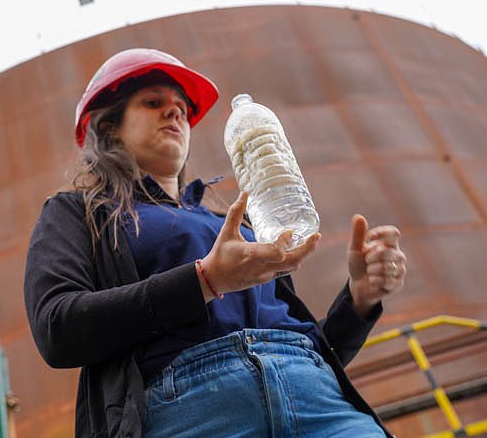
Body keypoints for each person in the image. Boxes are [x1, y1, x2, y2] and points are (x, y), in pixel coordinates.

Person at [24, 48, 407, 438]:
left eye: (182, 109)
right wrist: (205, 280)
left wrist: (359, 299)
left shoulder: (237, 225)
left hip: (316, 396)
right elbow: (57, 328)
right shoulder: (79, 212)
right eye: (154, 103)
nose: (175, 113)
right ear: (109, 127)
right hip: (193, 411)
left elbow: (303, 342)